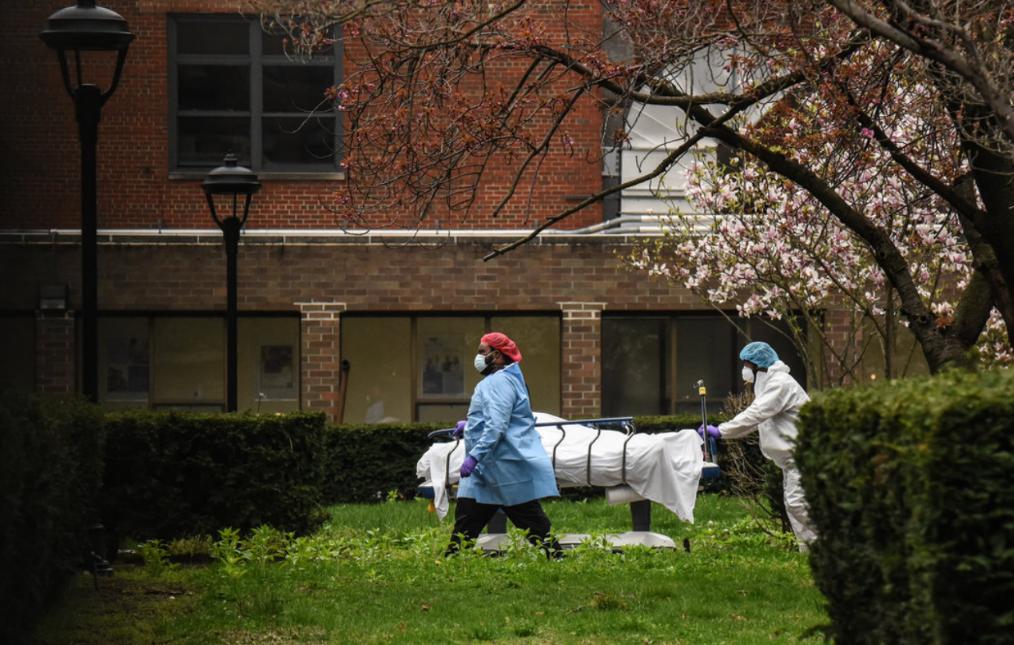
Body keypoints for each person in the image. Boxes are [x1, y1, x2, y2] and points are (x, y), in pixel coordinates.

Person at [445, 332, 561, 557]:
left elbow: (497, 425)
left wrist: (475, 456)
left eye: (481, 352)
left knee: (527, 517)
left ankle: (556, 556)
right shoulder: (507, 379)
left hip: (498, 465)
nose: (477, 357)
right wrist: (469, 426)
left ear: (496, 356)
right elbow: (498, 418)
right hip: (493, 466)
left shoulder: (497, 382)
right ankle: (453, 558)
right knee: (470, 515)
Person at [699, 341, 817, 551]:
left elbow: (756, 413)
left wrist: (722, 430)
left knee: (798, 504)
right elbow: (758, 421)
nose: (744, 369)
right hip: (794, 458)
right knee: (794, 505)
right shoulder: (768, 383)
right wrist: (722, 433)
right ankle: (810, 552)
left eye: (746, 364)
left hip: (805, 454)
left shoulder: (780, 384)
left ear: (757, 364)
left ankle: (828, 545)